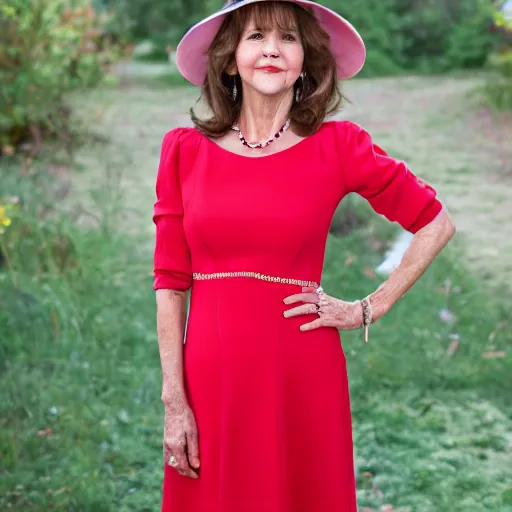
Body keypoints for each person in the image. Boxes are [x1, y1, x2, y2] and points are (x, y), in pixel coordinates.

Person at [152, 0, 456, 510]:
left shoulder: (338, 146)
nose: (272, 49)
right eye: (256, 37)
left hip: (300, 371)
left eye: (288, 38)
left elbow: (435, 223)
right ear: (229, 59)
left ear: (306, 60)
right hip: (210, 374)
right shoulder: (184, 150)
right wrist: (174, 398)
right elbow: (170, 280)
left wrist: (368, 307)